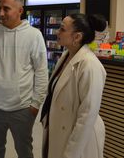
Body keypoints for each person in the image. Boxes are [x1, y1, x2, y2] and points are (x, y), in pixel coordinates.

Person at [0, 0, 48, 158]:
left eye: (6, 9)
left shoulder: (34, 35)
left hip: (22, 108)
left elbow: (41, 71)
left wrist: (35, 104)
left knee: (24, 150)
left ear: (20, 10)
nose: (1, 13)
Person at [40, 13, 107, 158]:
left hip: (79, 142)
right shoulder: (65, 56)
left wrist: (71, 154)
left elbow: (87, 116)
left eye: (62, 29)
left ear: (77, 37)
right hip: (58, 130)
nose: (57, 32)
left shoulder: (90, 66)